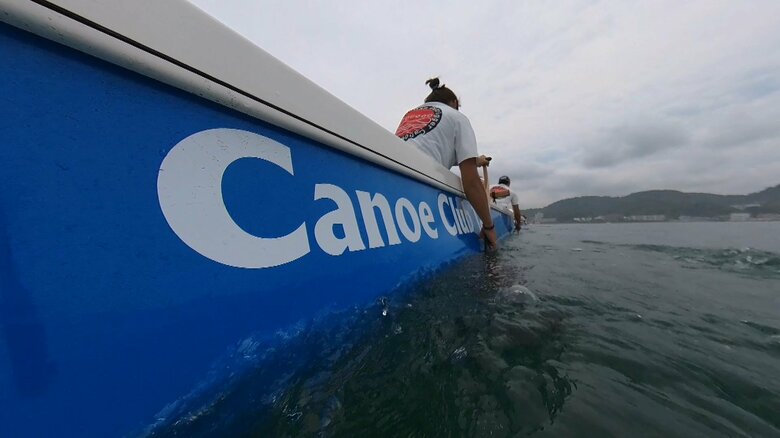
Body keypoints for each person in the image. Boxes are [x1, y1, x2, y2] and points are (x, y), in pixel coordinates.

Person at [395, 78, 497, 249]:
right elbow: (471, 182)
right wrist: (489, 227)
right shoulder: (458, 117)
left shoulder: (409, 115)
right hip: (422, 187)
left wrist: (475, 159)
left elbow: (430, 146)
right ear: (454, 103)